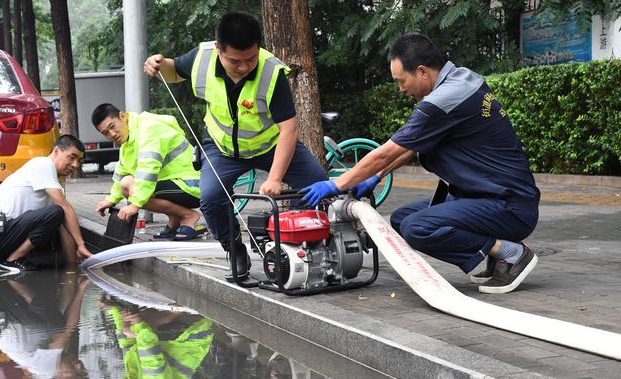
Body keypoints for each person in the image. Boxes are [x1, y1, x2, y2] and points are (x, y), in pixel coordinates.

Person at [302, 33, 541, 294]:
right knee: (402, 219)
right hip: (486, 197)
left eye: (401, 81)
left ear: (422, 72)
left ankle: (510, 252)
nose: (401, 89)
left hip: (509, 205)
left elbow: (388, 151)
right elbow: (412, 146)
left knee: (418, 228)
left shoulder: (443, 101)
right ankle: (498, 255)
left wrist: (337, 183)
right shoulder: (460, 80)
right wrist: (374, 177)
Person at [143, 11, 327, 280]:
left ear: (258, 48)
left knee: (319, 183)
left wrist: (275, 178)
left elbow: (288, 129)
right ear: (219, 49)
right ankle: (234, 248)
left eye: (250, 58)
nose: (244, 67)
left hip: (269, 145)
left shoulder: (272, 72)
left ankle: (310, 243)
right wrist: (157, 64)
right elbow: (172, 71)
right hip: (222, 149)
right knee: (210, 197)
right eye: (235, 61)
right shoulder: (202, 58)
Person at [0, 134, 93, 274]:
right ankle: (13, 260)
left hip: (1, 237)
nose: (75, 165)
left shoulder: (53, 184)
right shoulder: (42, 164)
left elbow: (64, 227)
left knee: (57, 215)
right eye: (71, 157)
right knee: (56, 212)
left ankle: (10, 259)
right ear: (56, 152)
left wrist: (72, 266)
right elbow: (64, 209)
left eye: (79, 160)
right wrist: (81, 245)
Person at [92, 104, 206, 241]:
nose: (112, 134)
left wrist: (135, 205)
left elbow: (148, 169)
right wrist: (110, 200)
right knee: (127, 183)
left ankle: (188, 216)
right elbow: (121, 172)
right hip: (176, 184)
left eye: (112, 126)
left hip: (193, 185)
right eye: (105, 133)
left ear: (122, 116)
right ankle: (175, 220)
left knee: (130, 186)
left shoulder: (148, 128)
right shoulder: (128, 141)